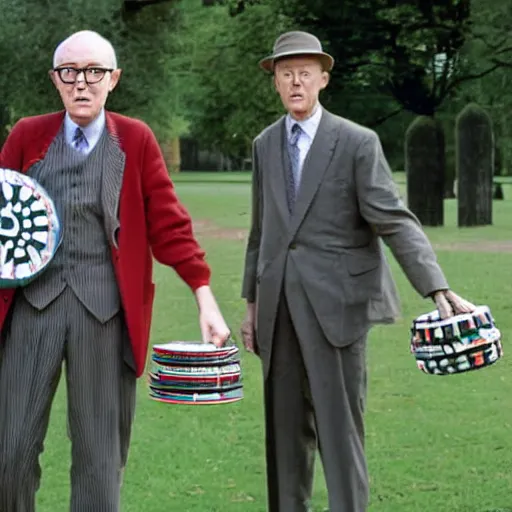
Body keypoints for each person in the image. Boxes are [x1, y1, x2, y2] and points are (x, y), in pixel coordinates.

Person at [240, 30, 475, 512]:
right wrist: (251, 304)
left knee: (340, 431)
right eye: (286, 74)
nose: (295, 81)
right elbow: (260, 230)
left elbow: (393, 218)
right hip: (277, 308)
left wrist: (436, 287)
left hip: (338, 310)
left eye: (305, 72)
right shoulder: (265, 144)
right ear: (275, 84)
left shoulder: (356, 142)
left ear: (324, 79)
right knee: (284, 436)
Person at [0, 30, 230, 511]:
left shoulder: (136, 140)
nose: (81, 84)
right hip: (31, 312)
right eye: (70, 73)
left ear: (114, 79)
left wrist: (203, 295)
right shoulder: (26, 135)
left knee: (99, 461)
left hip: (104, 315)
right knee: (9, 454)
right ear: (55, 80)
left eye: (94, 72)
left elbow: (170, 224)